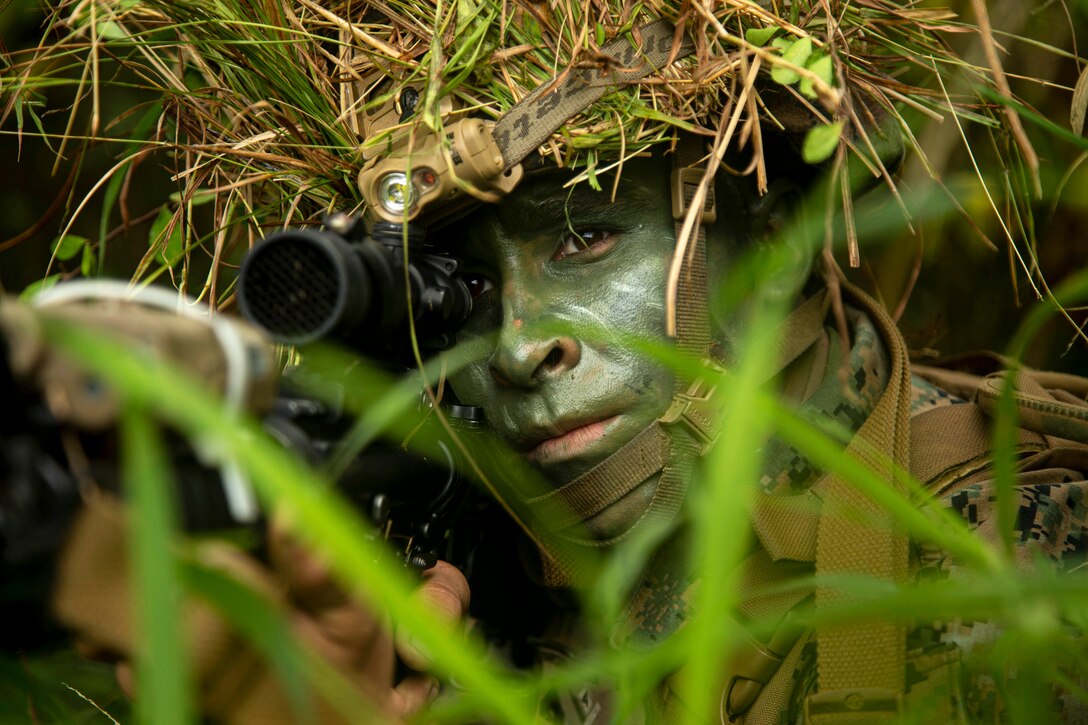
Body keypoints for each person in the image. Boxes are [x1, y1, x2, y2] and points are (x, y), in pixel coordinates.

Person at [8, 1, 1088, 723]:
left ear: (760, 222)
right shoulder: (464, 586)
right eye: (461, 283)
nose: (522, 345)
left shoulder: (1015, 565)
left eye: (584, 236)